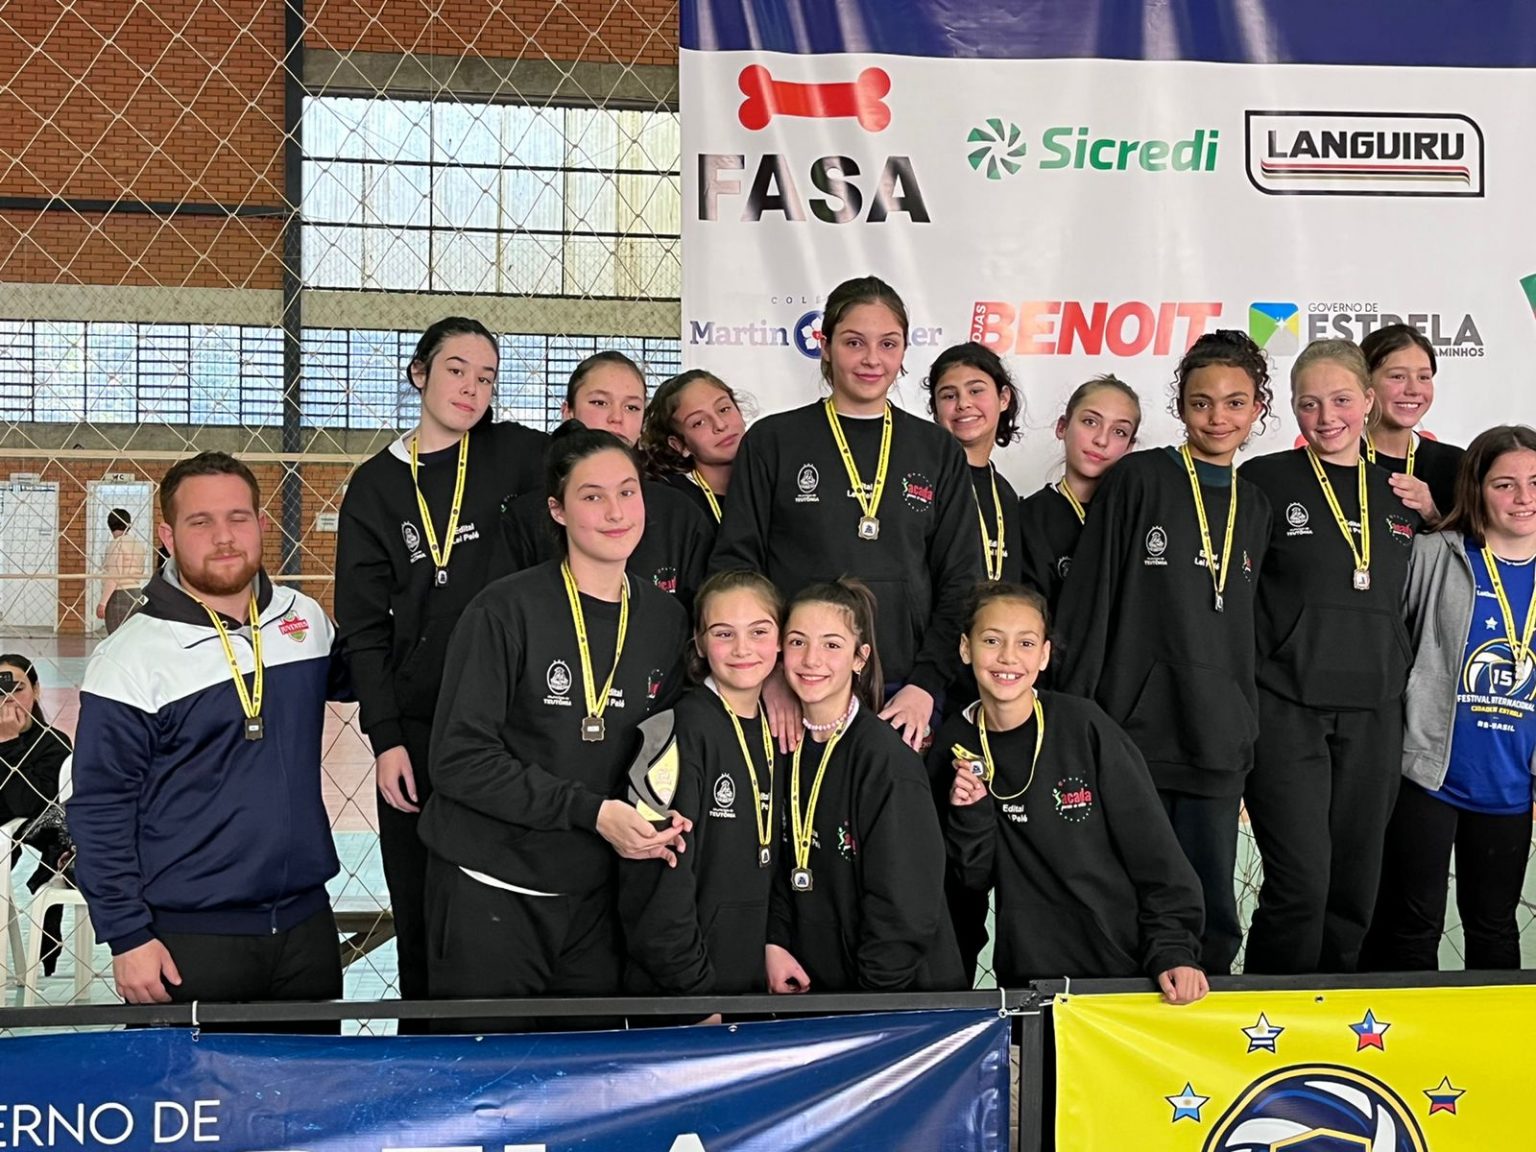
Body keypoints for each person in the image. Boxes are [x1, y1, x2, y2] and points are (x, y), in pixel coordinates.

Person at [418, 426, 692, 1031]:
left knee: (582, 1079)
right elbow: (459, 759)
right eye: (592, 496)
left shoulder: (665, 619)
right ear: (558, 510)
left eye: (627, 492)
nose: (615, 512)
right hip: (493, 887)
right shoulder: (504, 610)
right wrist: (590, 811)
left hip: (595, 900)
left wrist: (655, 819)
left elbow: (664, 746)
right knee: (487, 1079)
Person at [68, 452, 348, 1028]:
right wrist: (127, 935)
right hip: (185, 941)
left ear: (261, 524)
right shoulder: (131, 657)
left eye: (238, 518)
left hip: (306, 930)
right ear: (168, 536)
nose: (224, 537)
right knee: (183, 1091)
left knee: (314, 1086)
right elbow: (99, 806)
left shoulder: (303, 619)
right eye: (201, 522)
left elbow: (380, 678)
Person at [334, 316, 546, 1027]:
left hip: (518, 721)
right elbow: (364, 628)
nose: (472, 388)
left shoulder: (517, 455)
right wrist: (386, 737)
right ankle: (425, 1044)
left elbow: (600, 469)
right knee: (423, 899)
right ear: (419, 373)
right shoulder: (375, 487)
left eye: (486, 377)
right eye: (457, 370)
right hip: (423, 728)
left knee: (511, 895)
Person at [1054, 330, 1274, 975]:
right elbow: (1091, 598)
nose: (1218, 418)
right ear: (1181, 407)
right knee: (1126, 893)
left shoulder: (1257, 504)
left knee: (1210, 905)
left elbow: (1247, 631)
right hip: (1132, 733)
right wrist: (1075, 718)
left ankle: (1203, 1021)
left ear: (1258, 409)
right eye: (1202, 402)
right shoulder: (1140, 478)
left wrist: (1244, 729)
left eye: (1235, 403)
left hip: (1216, 737)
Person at [712, 276, 983, 751]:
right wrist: (770, 672)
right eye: (855, 342)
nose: (872, 359)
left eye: (888, 344)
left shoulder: (937, 450)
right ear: (825, 346)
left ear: (904, 351)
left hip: (905, 691)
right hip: (798, 687)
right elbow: (736, 569)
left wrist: (926, 684)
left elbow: (962, 580)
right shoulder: (773, 441)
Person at [1238, 339, 1418, 975]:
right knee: (1300, 887)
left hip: (1375, 710)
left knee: (1353, 889)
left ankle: (1337, 1018)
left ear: (1368, 401)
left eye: (1340, 400)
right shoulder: (1263, 481)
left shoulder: (1402, 493)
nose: (1325, 417)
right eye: (1308, 403)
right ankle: (1267, 1015)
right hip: (1287, 708)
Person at [937, 584, 1206, 1003]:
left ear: (1044, 655)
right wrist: (970, 814)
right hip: (1028, 981)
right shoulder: (954, 741)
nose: (1008, 657)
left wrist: (1173, 949)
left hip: (1121, 971)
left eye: (1026, 643)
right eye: (991, 640)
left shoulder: (1084, 726)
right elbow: (971, 882)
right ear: (965, 648)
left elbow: (1156, 853)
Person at [1363, 425, 1536, 972]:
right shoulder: (1435, 554)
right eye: (1505, 484)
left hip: (1512, 784)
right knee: (1411, 928)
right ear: (1477, 489)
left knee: (1495, 927)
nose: (1523, 498)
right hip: (1428, 776)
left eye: (1535, 483)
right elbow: (1389, 643)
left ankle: (1497, 1033)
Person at [765, 579, 963, 994]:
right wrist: (775, 942)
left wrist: (871, 1002)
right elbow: (778, 865)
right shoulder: (780, 746)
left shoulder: (887, 762)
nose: (812, 659)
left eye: (832, 645)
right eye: (798, 642)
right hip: (812, 988)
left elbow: (905, 909)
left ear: (860, 658)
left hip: (893, 998)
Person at [618, 569, 782, 1000]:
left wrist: (774, 946)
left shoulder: (777, 730)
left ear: (781, 639)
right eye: (724, 633)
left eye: (759, 631)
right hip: (685, 995)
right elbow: (655, 886)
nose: (743, 648)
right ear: (700, 642)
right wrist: (694, 995)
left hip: (749, 988)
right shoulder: (675, 731)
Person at [504, 352, 714, 609]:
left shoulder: (679, 513)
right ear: (568, 412)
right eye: (600, 403)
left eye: (632, 407)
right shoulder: (525, 517)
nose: (617, 417)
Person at [1017, 376, 1142, 616]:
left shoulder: (1138, 517)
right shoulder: (1028, 518)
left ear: (1129, 447)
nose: (1101, 440)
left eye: (1119, 431)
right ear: (1062, 427)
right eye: (1090, 422)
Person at [926, 341, 1024, 586]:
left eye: (976, 391)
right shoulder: (923, 482)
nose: (963, 403)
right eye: (949, 395)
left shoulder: (1005, 493)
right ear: (935, 410)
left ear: (1003, 398)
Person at [0, 654, 73, 976]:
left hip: (31, 831)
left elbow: (28, 805)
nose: (8, 699)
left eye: (17, 689)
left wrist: (8, 742)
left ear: (36, 690)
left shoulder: (53, 744)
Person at [1360, 323, 1465, 522]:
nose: (1414, 390)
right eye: (1398, 376)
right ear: (1366, 382)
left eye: (1424, 377)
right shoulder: (1338, 457)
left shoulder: (1455, 464)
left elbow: (1470, 540)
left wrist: (1431, 513)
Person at [640, 369, 748, 529]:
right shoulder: (671, 503)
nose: (720, 425)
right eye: (698, 423)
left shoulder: (773, 478)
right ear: (679, 445)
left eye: (724, 409)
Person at [97, 508, 149, 634]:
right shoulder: (138, 545)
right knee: (132, 637)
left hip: (119, 596)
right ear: (128, 524)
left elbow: (114, 575)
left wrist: (103, 603)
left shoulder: (116, 544)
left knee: (116, 638)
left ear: (110, 524)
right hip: (136, 593)